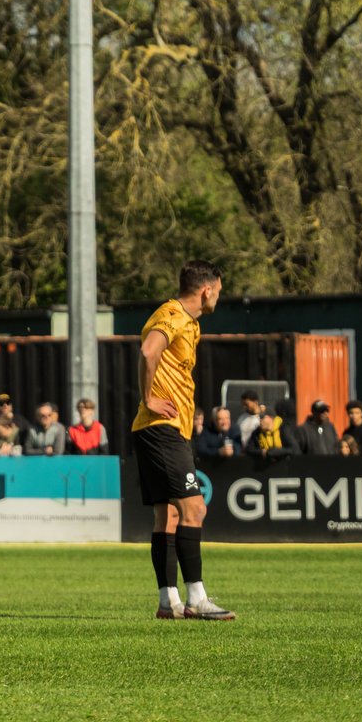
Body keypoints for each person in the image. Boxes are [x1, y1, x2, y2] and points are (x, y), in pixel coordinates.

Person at [131, 260, 232, 621]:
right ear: (207, 289)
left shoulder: (187, 323)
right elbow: (148, 351)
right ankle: (197, 599)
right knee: (194, 509)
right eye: (218, 291)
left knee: (169, 515)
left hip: (157, 429)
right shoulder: (172, 315)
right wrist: (148, 398)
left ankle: (168, 601)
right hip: (163, 427)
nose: (218, 297)